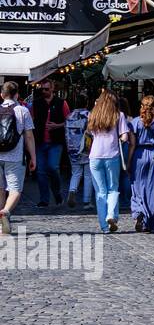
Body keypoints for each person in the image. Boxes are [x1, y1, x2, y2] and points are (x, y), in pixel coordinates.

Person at [86, 90, 131, 235]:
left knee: (100, 192)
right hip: (112, 155)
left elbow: (90, 133)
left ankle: (104, 227)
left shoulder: (92, 115)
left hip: (95, 156)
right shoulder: (119, 115)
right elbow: (124, 137)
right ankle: (111, 215)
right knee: (113, 188)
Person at [127, 94, 154, 233]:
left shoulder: (134, 122)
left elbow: (132, 144)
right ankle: (148, 222)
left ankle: (139, 213)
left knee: (137, 188)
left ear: (142, 106)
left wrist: (128, 162)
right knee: (152, 190)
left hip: (138, 156)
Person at [0, 81, 37, 236]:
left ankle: (1, 227)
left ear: (2, 95)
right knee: (15, 190)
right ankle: (6, 212)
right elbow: (29, 136)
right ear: (17, 95)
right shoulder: (23, 111)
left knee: (0, 189)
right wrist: (33, 157)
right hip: (15, 157)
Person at [28, 79, 69, 207]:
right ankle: (44, 199)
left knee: (53, 167)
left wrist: (57, 125)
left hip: (55, 142)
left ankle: (57, 193)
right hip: (40, 141)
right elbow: (31, 121)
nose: (44, 91)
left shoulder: (62, 103)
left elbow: (69, 121)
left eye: (46, 89)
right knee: (40, 171)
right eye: (42, 89)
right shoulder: (36, 104)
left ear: (52, 89)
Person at [64, 92, 92, 210]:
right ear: (86, 103)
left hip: (72, 148)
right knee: (88, 175)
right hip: (86, 148)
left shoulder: (69, 116)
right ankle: (87, 201)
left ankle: (72, 190)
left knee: (75, 173)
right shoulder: (89, 115)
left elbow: (66, 133)